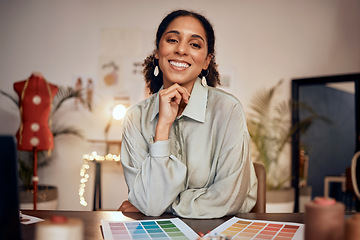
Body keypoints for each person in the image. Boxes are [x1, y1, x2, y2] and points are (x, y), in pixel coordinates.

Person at [119, 9, 257, 219]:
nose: (182, 50)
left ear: (206, 61)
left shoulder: (228, 110)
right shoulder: (135, 118)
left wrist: (163, 205)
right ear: (158, 51)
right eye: (173, 40)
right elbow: (148, 203)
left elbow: (229, 198)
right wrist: (162, 127)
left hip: (220, 230)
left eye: (194, 44)